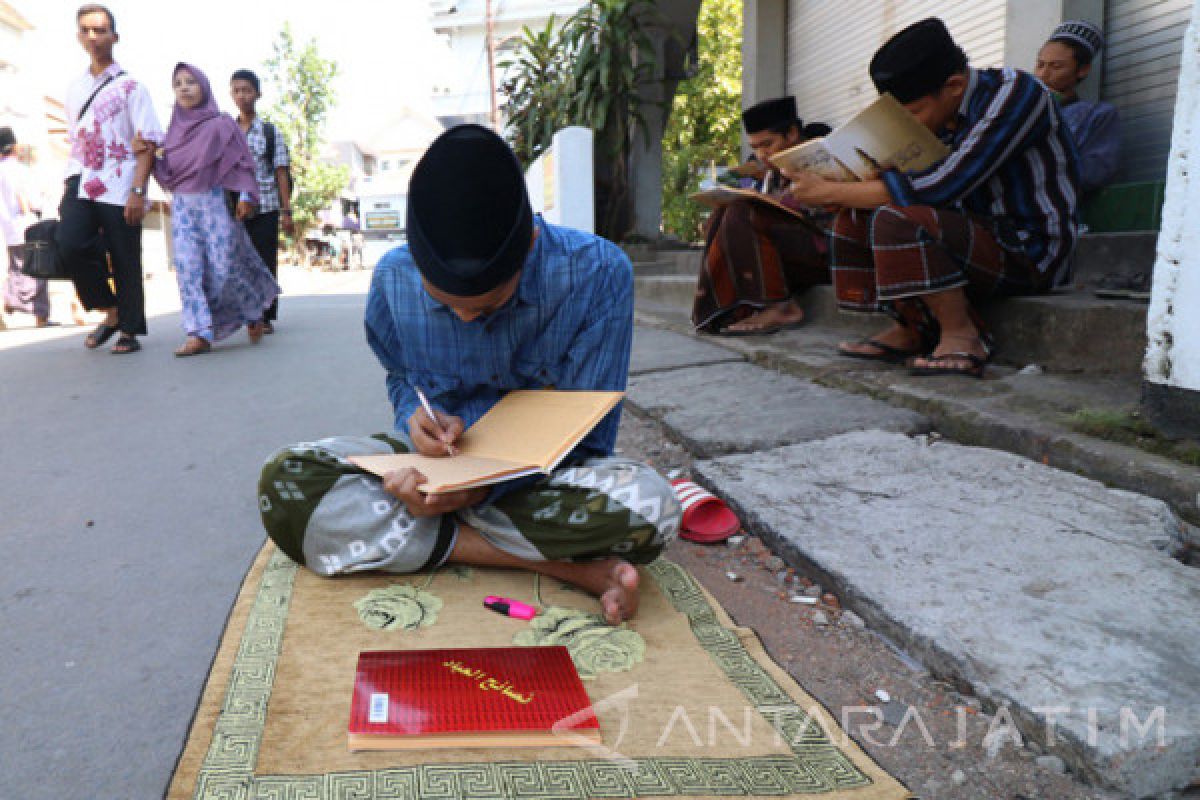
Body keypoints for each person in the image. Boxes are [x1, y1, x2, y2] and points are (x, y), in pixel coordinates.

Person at [258, 125, 681, 624]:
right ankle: (567, 566)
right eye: (445, 305)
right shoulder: (394, 279)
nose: (464, 320)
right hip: (427, 472)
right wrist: (414, 415)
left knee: (655, 507)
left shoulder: (599, 274)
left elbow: (590, 440)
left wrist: (481, 490)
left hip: (538, 480)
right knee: (286, 482)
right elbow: (400, 376)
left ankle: (434, 534)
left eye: (486, 306)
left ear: (528, 248)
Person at [782, 17, 1079, 378]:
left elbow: (942, 186)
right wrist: (848, 187)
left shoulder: (1017, 95)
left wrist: (833, 190)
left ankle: (962, 335)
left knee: (896, 217)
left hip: (1029, 249)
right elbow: (909, 185)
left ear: (954, 85)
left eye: (915, 113)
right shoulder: (942, 113)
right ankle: (914, 327)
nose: (911, 125)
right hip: (972, 235)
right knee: (856, 216)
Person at [142, 64, 279, 357]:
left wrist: (245, 195)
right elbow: (168, 173)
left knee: (224, 267)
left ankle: (253, 310)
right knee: (189, 270)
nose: (184, 87)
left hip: (215, 204)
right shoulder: (172, 132)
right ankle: (198, 332)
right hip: (182, 209)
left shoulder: (221, 124)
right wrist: (150, 156)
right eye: (177, 83)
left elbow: (241, 162)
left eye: (191, 81)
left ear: (203, 86)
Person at [57, 3, 162, 355]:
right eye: (85, 30)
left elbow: (147, 142)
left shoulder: (132, 87)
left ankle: (129, 329)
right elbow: (76, 139)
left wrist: (138, 190)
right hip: (82, 178)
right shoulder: (74, 88)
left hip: (120, 183)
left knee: (125, 255)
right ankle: (111, 309)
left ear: (114, 37)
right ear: (77, 37)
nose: (92, 37)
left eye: (100, 30)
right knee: (69, 243)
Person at [692, 97, 831, 335]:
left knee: (742, 211)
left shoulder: (824, 161)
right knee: (723, 213)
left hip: (826, 254)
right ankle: (733, 307)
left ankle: (781, 306)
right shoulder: (771, 175)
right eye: (755, 148)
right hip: (789, 257)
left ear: (792, 133)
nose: (761, 154)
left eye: (767, 144)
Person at [231, 68, 292, 334]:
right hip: (236, 209)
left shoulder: (269, 132)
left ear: (257, 94)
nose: (242, 95)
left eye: (247, 90)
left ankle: (266, 316)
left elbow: (281, 171)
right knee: (241, 262)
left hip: (266, 205)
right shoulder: (227, 131)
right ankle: (249, 313)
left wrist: (286, 210)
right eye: (236, 90)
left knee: (265, 261)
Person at [1035, 19, 1120, 193]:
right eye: (1040, 65)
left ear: (1083, 70)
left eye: (1056, 66)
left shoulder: (1098, 115)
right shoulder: (1017, 108)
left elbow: (1093, 174)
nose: (1043, 75)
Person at [0, 128, 52, 328]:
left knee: (16, 269)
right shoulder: (20, 170)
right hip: (27, 224)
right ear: (14, 146)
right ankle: (40, 315)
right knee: (38, 271)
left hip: (7, 228)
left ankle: (10, 299)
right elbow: (33, 200)